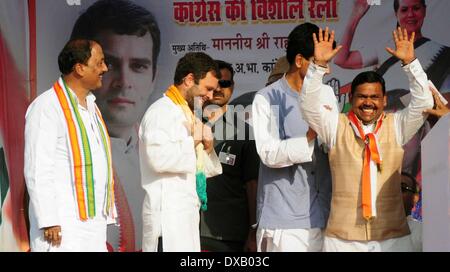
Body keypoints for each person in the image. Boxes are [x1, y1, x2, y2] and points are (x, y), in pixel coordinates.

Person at [299, 26, 433, 251]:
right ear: (351, 98)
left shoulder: (397, 126)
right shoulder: (336, 126)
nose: (368, 102)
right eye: (362, 96)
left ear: (383, 101)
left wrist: (411, 64)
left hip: (393, 239)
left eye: (374, 97)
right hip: (342, 240)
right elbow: (308, 106)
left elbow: (424, 103)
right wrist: (317, 67)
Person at [70, 0, 161, 251]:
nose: (123, 81)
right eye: (108, 64)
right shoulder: (63, 142)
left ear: (153, 77)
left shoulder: (160, 146)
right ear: (81, 69)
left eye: (138, 66)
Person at [251, 23, 337, 252]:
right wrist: (309, 137)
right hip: (286, 219)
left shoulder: (327, 94)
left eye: (327, 64)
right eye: (319, 63)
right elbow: (268, 153)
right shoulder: (267, 98)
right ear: (299, 61)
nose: (326, 71)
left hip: (325, 213)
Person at [24, 39, 115, 252]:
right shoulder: (47, 106)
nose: (105, 68)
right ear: (80, 68)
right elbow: (37, 167)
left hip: (92, 223)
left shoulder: (92, 107)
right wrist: (48, 219)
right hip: (61, 224)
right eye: (100, 62)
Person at [139, 52, 222, 252]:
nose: (211, 96)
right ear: (189, 79)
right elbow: (157, 159)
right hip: (166, 223)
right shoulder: (161, 112)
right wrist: (193, 141)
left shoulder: (187, 113)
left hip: (185, 219)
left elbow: (201, 169)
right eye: (208, 89)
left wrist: (208, 148)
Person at [200, 60, 259, 252]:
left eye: (224, 84)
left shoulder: (245, 132)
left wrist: (253, 233)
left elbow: (253, 186)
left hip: (229, 235)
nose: (218, 89)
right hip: (189, 230)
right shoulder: (186, 123)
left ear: (232, 87)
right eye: (214, 84)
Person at [335, 0, 450, 96]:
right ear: (396, 13)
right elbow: (341, 60)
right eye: (404, 10)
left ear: (424, 10)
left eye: (416, 8)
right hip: (385, 120)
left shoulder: (441, 53)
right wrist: (355, 15)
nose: (410, 14)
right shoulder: (386, 48)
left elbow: (444, 103)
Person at [401, 172, 422, 251]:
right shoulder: (368, 231)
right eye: (391, 188)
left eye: (401, 188)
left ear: (415, 198)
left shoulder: (422, 232)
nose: (394, 192)